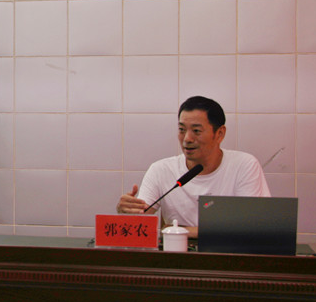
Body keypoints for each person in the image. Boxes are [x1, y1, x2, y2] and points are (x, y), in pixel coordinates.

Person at [116, 96, 270, 238]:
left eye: (196, 131)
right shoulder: (161, 170)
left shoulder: (244, 166)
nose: (187, 139)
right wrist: (126, 211)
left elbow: (252, 228)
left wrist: (183, 230)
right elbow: (137, 223)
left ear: (220, 134)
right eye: (182, 130)